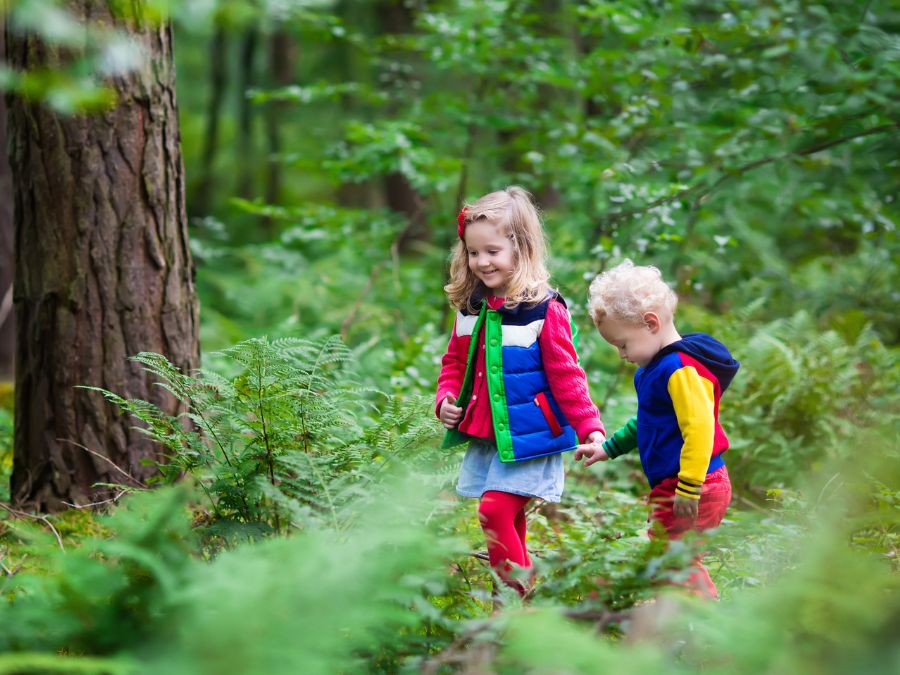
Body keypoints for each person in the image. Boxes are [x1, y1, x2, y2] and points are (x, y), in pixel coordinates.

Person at [436, 186, 605, 597]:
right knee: (510, 518)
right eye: (473, 253)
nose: (481, 262)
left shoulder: (545, 309)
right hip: (489, 434)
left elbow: (568, 374)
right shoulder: (471, 307)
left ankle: (515, 599)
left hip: (533, 435)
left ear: (521, 247)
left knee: (493, 509)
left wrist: (590, 427)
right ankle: (513, 611)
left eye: (492, 251)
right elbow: (454, 363)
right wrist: (444, 399)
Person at [575, 259, 740, 598]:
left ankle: (708, 631)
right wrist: (608, 447)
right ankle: (684, 628)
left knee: (672, 562)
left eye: (623, 344)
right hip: (679, 484)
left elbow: (699, 428)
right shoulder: (652, 370)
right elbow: (647, 422)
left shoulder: (679, 369)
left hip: (697, 483)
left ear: (651, 323)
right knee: (668, 560)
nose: (621, 354)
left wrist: (690, 486)